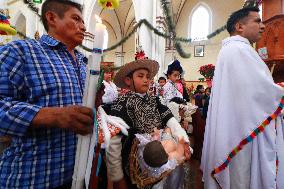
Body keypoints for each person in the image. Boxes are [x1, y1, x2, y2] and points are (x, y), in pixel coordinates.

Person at [0, 0, 94, 188]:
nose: (83, 26)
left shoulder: (85, 65)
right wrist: (52, 115)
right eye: (76, 19)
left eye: (83, 21)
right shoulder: (21, 51)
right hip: (33, 176)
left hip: (77, 177)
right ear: (51, 18)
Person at [201, 7, 284, 189]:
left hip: (237, 127)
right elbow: (258, 92)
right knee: (243, 177)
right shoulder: (239, 50)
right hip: (243, 131)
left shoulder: (233, 49)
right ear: (239, 26)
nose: (262, 26)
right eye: (257, 21)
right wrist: (280, 90)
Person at [102, 59, 191, 189]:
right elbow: (115, 140)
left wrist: (183, 138)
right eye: (140, 76)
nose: (146, 80)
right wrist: (117, 176)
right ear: (128, 80)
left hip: (160, 153)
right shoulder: (121, 104)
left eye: (148, 77)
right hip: (135, 163)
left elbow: (169, 119)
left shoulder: (155, 100)